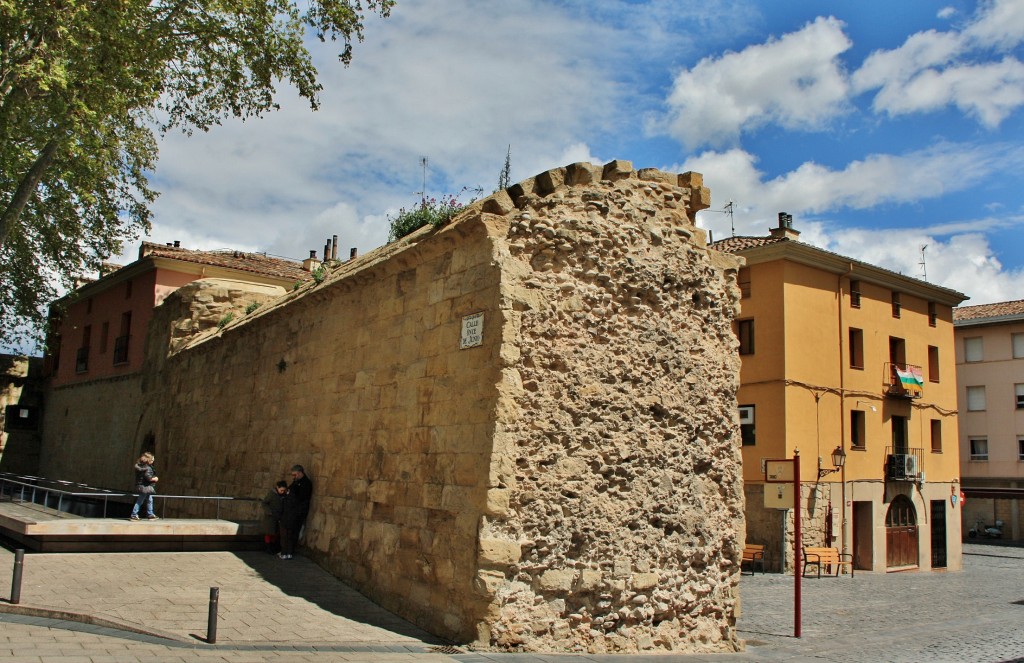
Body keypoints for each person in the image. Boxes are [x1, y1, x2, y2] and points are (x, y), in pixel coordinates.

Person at [278, 464, 313, 560]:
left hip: (298, 512)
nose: (294, 477)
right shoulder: (296, 482)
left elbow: (301, 498)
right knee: (288, 532)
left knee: (293, 532)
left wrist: (291, 495)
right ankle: (287, 551)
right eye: (293, 475)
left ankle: (289, 551)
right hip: (291, 511)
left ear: (300, 473)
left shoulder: (306, 483)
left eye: (295, 474)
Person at [130, 452, 159, 521]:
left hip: (141, 485)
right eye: (152, 460)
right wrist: (155, 479)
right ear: (148, 460)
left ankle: (150, 514)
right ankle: (134, 515)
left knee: (149, 500)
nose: (153, 461)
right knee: (140, 500)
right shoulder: (148, 468)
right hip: (145, 487)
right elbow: (148, 478)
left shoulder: (140, 466)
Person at [260, 480, 287, 554]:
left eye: (284, 490)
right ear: (277, 488)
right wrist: (269, 512)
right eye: (281, 490)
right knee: (269, 532)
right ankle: (268, 547)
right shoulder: (272, 494)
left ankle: (272, 546)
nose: (282, 492)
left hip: (279, 517)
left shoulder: (284, 495)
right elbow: (264, 503)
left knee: (276, 533)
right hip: (271, 517)